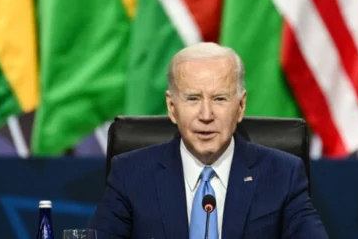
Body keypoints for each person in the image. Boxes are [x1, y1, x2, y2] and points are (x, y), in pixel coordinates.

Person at [90, 42, 328, 238]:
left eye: (219, 99)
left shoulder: (282, 175)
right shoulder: (130, 175)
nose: (206, 115)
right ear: (172, 108)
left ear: (241, 106)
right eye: (193, 99)